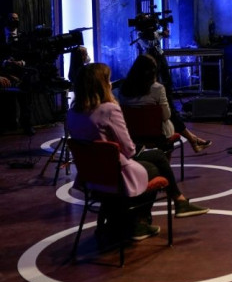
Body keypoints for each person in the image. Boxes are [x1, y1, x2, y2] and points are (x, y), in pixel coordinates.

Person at [67, 63, 209, 241]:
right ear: (102, 84)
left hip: (92, 175)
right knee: (156, 168)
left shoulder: (72, 113)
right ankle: (140, 222)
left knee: (157, 156)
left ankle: (175, 203)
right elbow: (129, 150)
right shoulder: (109, 109)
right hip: (116, 173)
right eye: (108, 80)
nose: (111, 84)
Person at [118, 54, 212, 153]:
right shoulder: (157, 88)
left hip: (131, 133)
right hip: (157, 135)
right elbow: (166, 115)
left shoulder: (123, 87)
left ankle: (193, 139)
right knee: (170, 115)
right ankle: (192, 140)